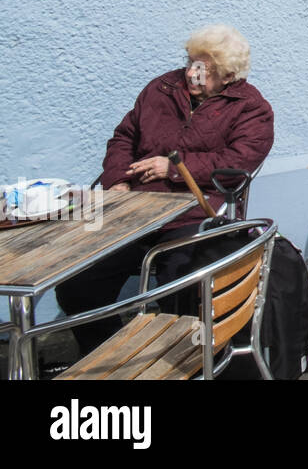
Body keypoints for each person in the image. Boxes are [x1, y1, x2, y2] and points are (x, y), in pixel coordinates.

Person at [55, 24, 274, 353]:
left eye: (204, 68)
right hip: (135, 208)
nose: (191, 73)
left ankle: (183, 361)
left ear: (228, 76)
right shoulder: (162, 88)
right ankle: (111, 356)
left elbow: (238, 163)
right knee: (78, 283)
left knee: (180, 283)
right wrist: (119, 182)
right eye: (190, 62)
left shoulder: (251, 108)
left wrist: (173, 168)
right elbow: (124, 138)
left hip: (193, 211)